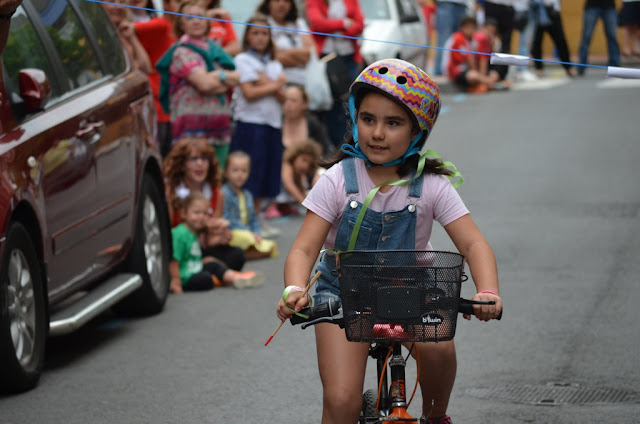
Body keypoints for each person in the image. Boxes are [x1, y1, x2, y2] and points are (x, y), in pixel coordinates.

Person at [276, 59, 502, 424]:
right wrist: (294, 288)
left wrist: (487, 291)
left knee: (440, 349)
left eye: (393, 123)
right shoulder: (336, 180)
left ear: (417, 130)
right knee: (341, 401)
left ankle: (435, 416)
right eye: (368, 119)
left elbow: (474, 245)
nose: (377, 133)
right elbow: (303, 248)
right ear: (355, 119)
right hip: (342, 292)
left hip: (411, 287)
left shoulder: (431, 185)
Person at [156, 0, 240, 168]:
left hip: (219, 130)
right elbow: (205, 84)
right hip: (191, 133)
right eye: (189, 17)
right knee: (193, 184)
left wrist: (215, 77)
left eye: (200, 16)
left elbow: (237, 77)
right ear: (180, 23)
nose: (196, 21)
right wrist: (222, 77)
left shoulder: (216, 50)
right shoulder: (181, 51)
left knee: (216, 182)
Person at [230, 13, 287, 220]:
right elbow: (249, 92)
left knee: (267, 173)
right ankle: (245, 219)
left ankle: (257, 219)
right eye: (255, 33)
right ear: (247, 37)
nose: (261, 37)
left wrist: (265, 83)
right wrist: (274, 84)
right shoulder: (242, 59)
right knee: (250, 174)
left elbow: (283, 97)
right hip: (251, 125)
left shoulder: (274, 64)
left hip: (272, 123)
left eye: (265, 33)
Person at [164, 137, 248, 272]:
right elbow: (169, 233)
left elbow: (209, 241)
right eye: (193, 159)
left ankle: (207, 267)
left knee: (237, 255)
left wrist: (219, 236)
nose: (200, 164)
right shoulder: (172, 192)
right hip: (180, 249)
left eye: (204, 159)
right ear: (182, 164)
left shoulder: (216, 194)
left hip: (202, 247)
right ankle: (208, 268)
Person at [170, 192, 264, 293]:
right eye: (196, 213)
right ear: (184, 213)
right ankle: (221, 278)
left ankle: (236, 278)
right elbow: (174, 259)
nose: (201, 217)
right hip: (184, 276)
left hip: (194, 268)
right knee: (206, 279)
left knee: (212, 264)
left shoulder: (194, 233)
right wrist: (176, 281)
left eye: (205, 213)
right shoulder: (179, 233)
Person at [306, 0, 365, 148]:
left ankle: (350, 144)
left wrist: (344, 30)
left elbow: (359, 24)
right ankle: (334, 147)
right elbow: (318, 24)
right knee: (330, 105)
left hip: (348, 58)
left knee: (350, 102)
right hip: (326, 58)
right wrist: (344, 23)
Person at [134, 0, 179, 158]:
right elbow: (124, 26)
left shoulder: (182, 32)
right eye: (178, 2)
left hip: (175, 108)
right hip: (159, 105)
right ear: (165, 4)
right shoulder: (159, 25)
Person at [222, 151, 279, 260]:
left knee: (272, 246)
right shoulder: (224, 193)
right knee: (248, 239)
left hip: (248, 233)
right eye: (235, 170)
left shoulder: (247, 195)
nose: (240, 174)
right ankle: (241, 254)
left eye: (244, 171)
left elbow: (253, 219)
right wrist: (249, 232)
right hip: (233, 232)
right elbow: (227, 219)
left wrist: (256, 233)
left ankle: (242, 254)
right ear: (226, 172)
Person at [257, 0, 315, 87]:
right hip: (279, 83)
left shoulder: (299, 23)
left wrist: (286, 52)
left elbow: (312, 52)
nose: (281, 4)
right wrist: (302, 58)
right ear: (268, 3)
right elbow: (275, 57)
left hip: (307, 81)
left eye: (286, 1)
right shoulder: (263, 24)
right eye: (277, 1)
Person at [265, 139, 322, 219]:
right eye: (304, 160)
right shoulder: (287, 165)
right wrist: (303, 202)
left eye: (309, 164)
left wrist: (306, 198)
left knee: (300, 186)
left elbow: (299, 186)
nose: (305, 166)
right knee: (282, 186)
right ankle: (271, 207)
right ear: (295, 155)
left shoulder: (298, 171)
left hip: (284, 192)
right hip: (272, 190)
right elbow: (289, 185)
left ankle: (284, 206)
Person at [442, 16, 499, 92]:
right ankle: (486, 83)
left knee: (494, 74)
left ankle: (483, 84)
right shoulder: (458, 38)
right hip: (455, 71)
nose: (471, 30)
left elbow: (482, 58)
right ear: (462, 28)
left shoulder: (473, 40)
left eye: (473, 28)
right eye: (468, 28)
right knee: (473, 75)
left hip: (470, 70)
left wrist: (482, 75)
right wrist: (483, 77)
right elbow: (469, 61)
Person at [282, 85, 333, 157]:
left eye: (293, 100)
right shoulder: (276, 124)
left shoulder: (313, 125)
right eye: (285, 100)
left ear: (304, 104)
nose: (288, 104)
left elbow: (327, 152)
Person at [102, 0, 152, 74]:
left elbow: (146, 68)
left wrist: (132, 37)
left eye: (122, 2)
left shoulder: (126, 31)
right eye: (111, 1)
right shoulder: (99, 39)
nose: (119, 7)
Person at [529, 0, 577, 78]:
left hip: (552, 13)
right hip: (537, 15)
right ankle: (539, 69)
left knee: (561, 42)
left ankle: (568, 67)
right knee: (536, 44)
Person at [577, 0, 620, 76]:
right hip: (592, 5)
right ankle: (581, 66)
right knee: (586, 36)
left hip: (609, 6)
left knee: (612, 36)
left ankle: (615, 66)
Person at [478, 0, 516, 80]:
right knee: (487, 39)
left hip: (508, 6)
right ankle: (483, 75)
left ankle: (501, 75)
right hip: (492, 4)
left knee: (505, 45)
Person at [432, 0, 469, 76]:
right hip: (445, 3)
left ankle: (458, 72)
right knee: (443, 40)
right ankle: (439, 73)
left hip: (463, 5)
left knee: (462, 41)